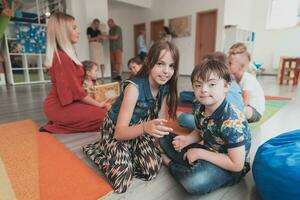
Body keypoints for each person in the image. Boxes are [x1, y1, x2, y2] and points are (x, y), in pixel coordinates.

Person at [82, 41, 179, 193]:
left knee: (152, 169)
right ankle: (97, 149)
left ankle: (127, 154)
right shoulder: (134, 88)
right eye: (160, 63)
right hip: (117, 131)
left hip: (138, 128)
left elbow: (159, 120)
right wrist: (146, 128)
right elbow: (120, 132)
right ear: (148, 62)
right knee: (122, 183)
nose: (167, 71)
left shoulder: (165, 86)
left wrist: (157, 144)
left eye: (172, 65)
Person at [159, 59, 251, 195]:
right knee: (164, 138)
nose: (204, 90)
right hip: (209, 151)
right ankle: (190, 162)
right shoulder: (200, 108)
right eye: (198, 85)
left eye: (212, 84)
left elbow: (236, 165)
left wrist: (200, 153)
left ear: (226, 86)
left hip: (229, 167)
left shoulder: (231, 121)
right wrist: (187, 140)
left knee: (194, 182)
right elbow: (200, 131)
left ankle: (169, 163)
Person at [42, 12, 109, 134]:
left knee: (108, 111)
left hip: (70, 102)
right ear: (63, 32)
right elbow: (78, 92)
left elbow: (77, 87)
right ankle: (57, 125)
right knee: (107, 115)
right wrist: (98, 104)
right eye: (74, 28)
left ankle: (60, 122)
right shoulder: (62, 57)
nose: (78, 31)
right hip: (59, 106)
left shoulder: (67, 54)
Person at [177, 51, 244, 130]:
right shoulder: (230, 83)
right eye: (198, 85)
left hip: (219, 124)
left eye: (212, 84)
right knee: (185, 95)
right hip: (227, 118)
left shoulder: (229, 121)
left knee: (183, 117)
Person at [228, 42, 265, 122]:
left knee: (242, 109)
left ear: (241, 66)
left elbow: (245, 102)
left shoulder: (248, 79)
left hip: (254, 111)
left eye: (230, 63)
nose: (227, 65)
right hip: (243, 107)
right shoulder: (233, 78)